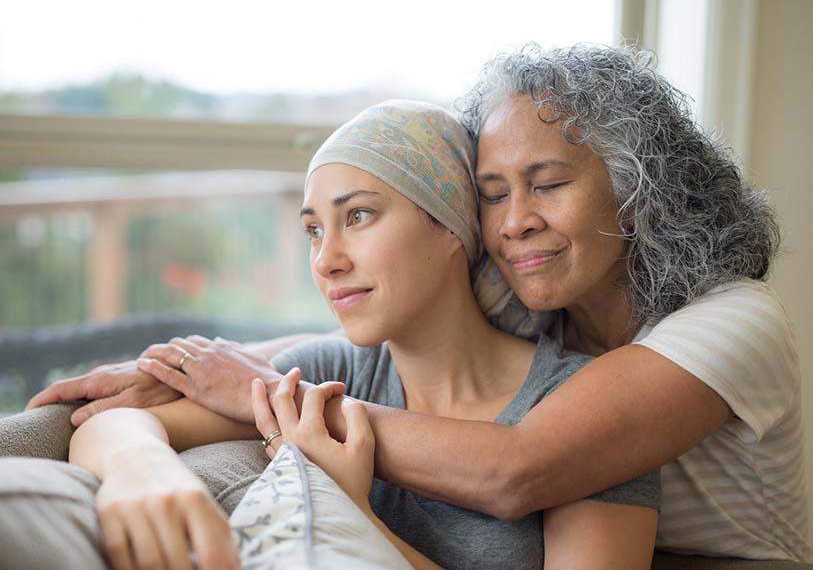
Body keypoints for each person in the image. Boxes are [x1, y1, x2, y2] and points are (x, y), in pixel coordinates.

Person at [25, 44, 811, 562]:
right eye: (492, 194)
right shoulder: (537, 298)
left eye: (547, 184)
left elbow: (520, 467)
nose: (512, 223)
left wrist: (274, 400)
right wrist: (177, 379)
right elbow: (368, 344)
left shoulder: (733, 320)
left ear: (638, 189)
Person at [66, 100, 660, 570]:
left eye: (358, 216)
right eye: (313, 231)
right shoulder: (328, 373)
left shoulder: (578, 412)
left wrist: (354, 517)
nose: (326, 260)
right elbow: (111, 422)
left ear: (451, 225)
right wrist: (141, 470)